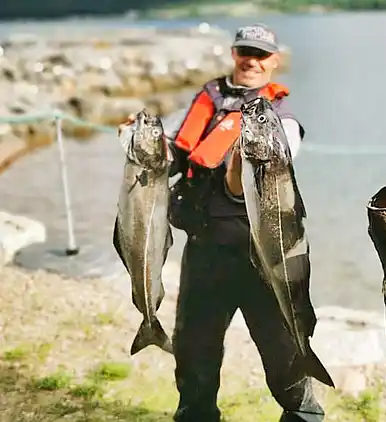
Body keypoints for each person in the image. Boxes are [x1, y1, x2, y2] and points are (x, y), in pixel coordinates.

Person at [119, 24, 324, 422]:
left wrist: (237, 168)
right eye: (245, 51)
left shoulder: (282, 120)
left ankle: (304, 416)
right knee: (194, 350)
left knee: (284, 353)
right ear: (234, 53)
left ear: (274, 62)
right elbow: (175, 154)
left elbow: (261, 174)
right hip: (205, 248)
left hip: (262, 256)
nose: (251, 60)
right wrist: (139, 141)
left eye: (261, 54)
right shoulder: (207, 98)